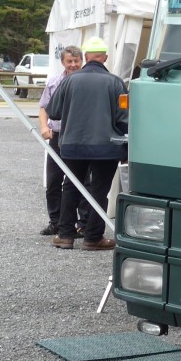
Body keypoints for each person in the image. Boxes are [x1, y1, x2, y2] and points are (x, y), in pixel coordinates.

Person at [46, 37, 128, 251]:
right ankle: (93, 237)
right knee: (99, 190)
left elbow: (53, 112)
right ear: (105, 58)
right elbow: (124, 118)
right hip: (106, 147)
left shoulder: (69, 81)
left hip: (73, 145)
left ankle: (65, 236)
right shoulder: (116, 82)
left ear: (86, 58)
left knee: (71, 186)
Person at [37, 45, 84, 236]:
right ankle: (55, 221)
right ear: (63, 62)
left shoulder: (87, 82)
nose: (73, 65)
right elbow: (44, 108)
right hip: (57, 137)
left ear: (82, 61)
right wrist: (43, 127)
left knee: (81, 181)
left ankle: (83, 224)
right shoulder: (54, 82)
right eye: (69, 61)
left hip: (79, 137)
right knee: (54, 180)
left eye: (76, 61)